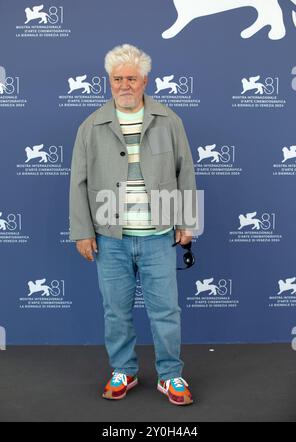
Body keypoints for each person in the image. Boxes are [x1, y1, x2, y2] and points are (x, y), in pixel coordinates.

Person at [69, 44, 198, 406]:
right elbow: (77, 182)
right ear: (108, 81)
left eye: (131, 78)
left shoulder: (169, 120)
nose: (124, 84)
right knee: (116, 310)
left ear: (145, 80)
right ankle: (123, 369)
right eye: (117, 78)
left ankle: (171, 375)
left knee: (166, 310)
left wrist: (187, 221)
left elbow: (185, 172)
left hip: (159, 237)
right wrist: (82, 231)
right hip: (110, 238)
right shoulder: (90, 126)